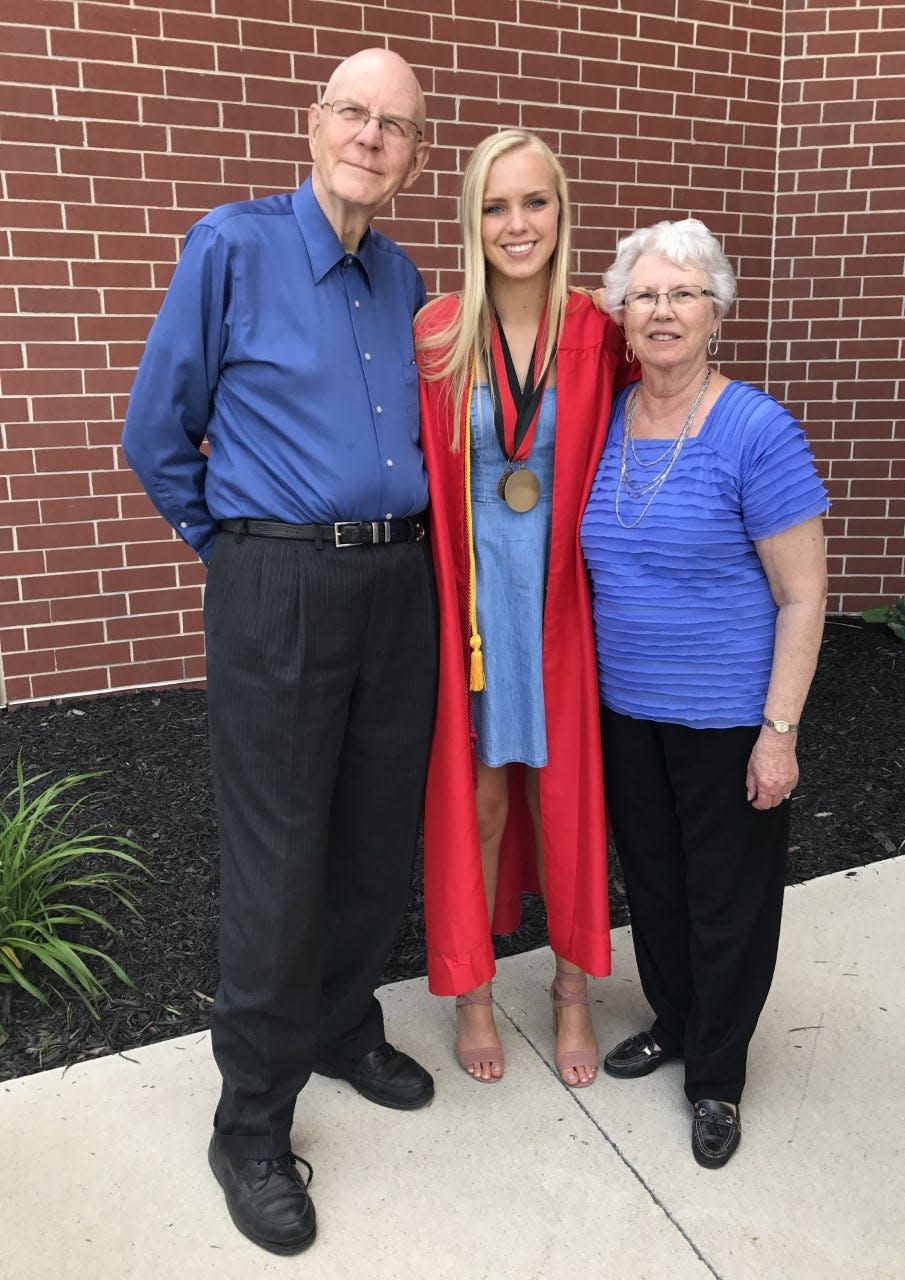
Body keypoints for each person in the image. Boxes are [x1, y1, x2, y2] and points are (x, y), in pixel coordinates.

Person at [121, 49, 438, 1254]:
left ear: (415, 154)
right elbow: (157, 432)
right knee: (278, 854)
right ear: (314, 124)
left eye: (395, 124)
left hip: (396, 582)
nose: (370, 135)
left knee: (370, 830)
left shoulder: (401, 271)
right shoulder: (232, 247)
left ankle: (343, 1023)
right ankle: (251, 1121)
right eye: (353, 112)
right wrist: (241, 554)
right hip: (280, 584)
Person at [581, 218, 829, 1166]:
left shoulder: (756, 431)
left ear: (717, 310)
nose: (662, 311)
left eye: (683, 293)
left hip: (728, 718)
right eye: (644, 294)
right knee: (657, 886)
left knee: (730, 899)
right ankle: (677, 1022)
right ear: (622, 315)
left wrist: (779, 732)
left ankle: (717, 1076)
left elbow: (802, 595)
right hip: (627, 712)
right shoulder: (606, 423)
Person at [415, 130, 638, 1088]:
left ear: (561, 212)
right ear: (473, 218)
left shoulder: (600, 329)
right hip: (470, 601)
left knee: (567, 795)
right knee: (483, 795)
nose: (517, 225)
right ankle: (473, 991)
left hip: (560, 599)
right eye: (496, 206)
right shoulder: (437, 331)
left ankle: (570, 990)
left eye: (535, 203)